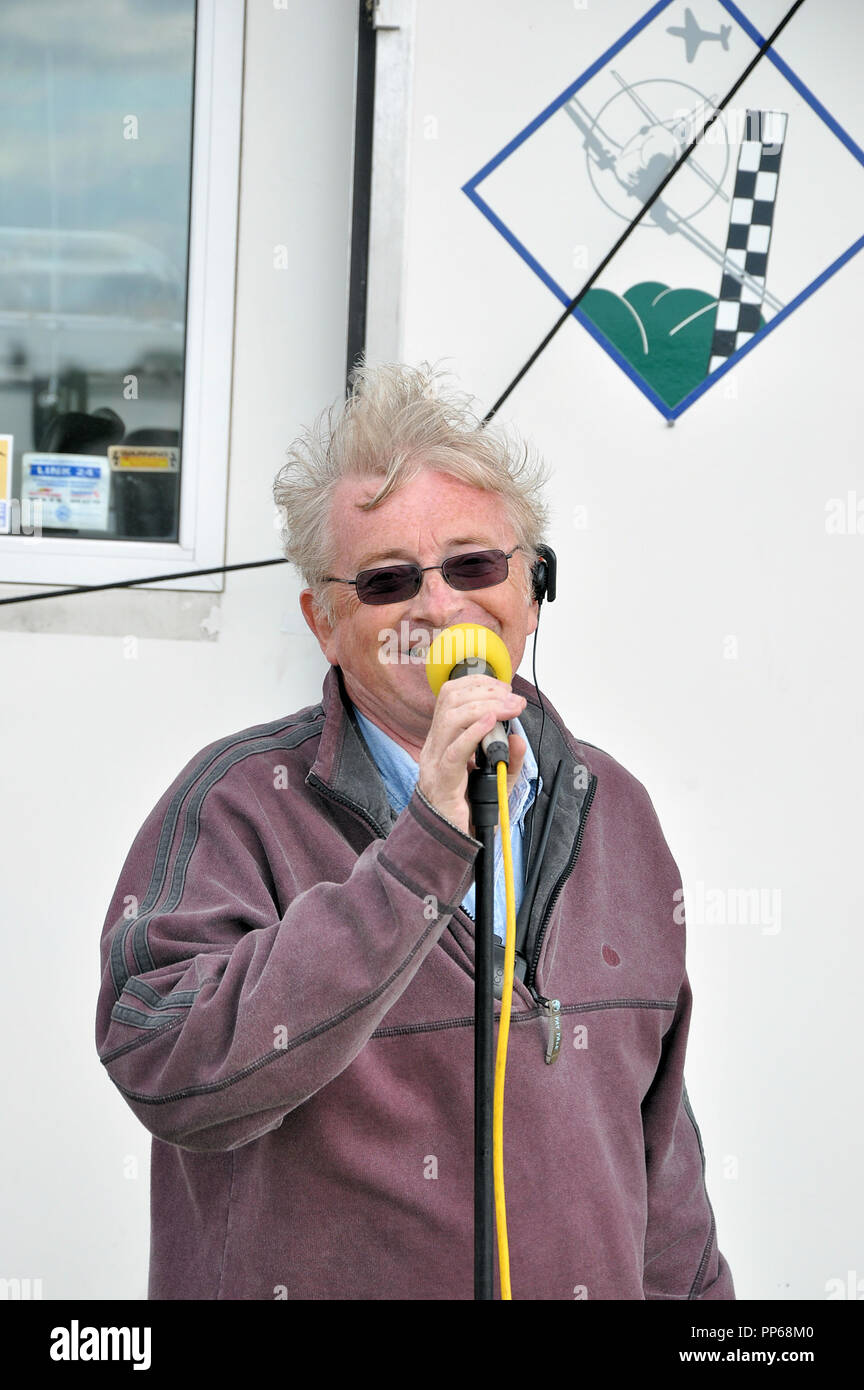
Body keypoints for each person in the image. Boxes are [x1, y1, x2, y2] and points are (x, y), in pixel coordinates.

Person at [95, 361, 735, 1301]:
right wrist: (425, 844)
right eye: (390, 580)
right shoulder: (235, 806)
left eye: (475, 564)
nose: (439, 606)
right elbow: (166, 1065)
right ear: (324, 620)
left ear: (533, 586)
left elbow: (660, 1160)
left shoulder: (616, 806)